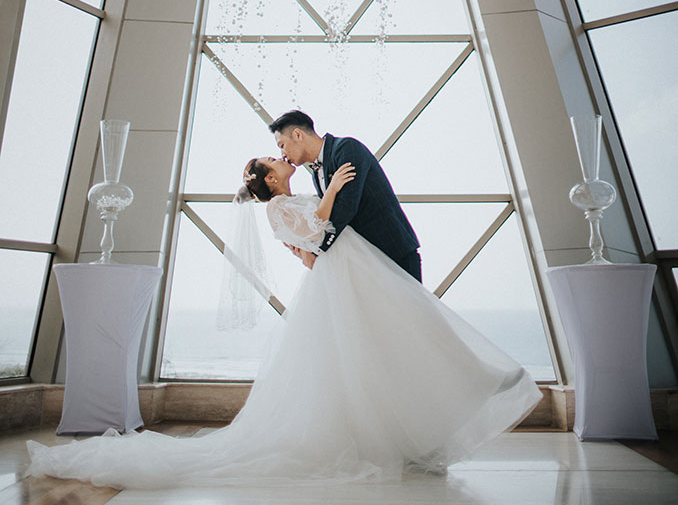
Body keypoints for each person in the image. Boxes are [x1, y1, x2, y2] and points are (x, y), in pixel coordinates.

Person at [27, 155, 541, 490]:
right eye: (274, 158)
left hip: (348, 272)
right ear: (271, 179)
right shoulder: (277, 209)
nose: (281, 158)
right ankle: (451, 402)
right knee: (388, 341)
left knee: (389, 342)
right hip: (344, 277)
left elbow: (311, 247)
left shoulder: (288, 198)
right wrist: (333, 190)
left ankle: (440, 414)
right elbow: (316, 228)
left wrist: (322, 217)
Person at [269, 109, 422, 280]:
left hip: (393, 251)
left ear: (298, 134)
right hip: (368, 262)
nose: (282, 155)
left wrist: (316, 249)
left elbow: (347, 207)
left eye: (282, 145)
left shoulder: (346, 149)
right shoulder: (316, 174)